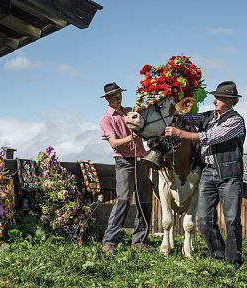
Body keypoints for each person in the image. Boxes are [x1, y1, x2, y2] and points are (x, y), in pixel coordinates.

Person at [164, 81, 246, 270]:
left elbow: (208, 137)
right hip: (208, 172)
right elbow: (186, 117)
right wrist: (176, 101)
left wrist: (179, 133)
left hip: (228, 174)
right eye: (215, 97)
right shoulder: (208, 116)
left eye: (219, 98)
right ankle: (218, 257)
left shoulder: (235, 120)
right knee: (204, 219)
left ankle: (234, 261)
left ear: (230, 101)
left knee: (232, 219)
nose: (215, 100)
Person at [99, 82, 152, 254]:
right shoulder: (106, 119)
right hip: (123, 161)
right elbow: (113, 143)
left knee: (145, 201)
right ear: (107, 98)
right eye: (114, 95)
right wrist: (131, 138)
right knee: (123, 200)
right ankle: (109, 242)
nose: (118, 97)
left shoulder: (130, 111)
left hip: (141, 160)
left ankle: (139, 241)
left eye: (119, 93)